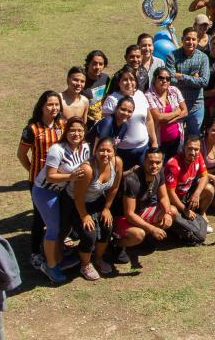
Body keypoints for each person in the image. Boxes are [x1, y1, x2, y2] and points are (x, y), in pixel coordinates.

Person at [31, 116, 90, 283]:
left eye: (79, 130)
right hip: (46, 191)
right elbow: (50, 176)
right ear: (66, 132)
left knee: (64, 225)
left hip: (63, 191)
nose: (76, 134)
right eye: (72, 130)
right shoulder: (57, 149)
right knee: (53, 228)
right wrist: (70, 176)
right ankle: (50, 266)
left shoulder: (85, 147)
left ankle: (58, 254)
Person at [18, 90, 65, 270]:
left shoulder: (62, 124)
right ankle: (35, 253)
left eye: (56, 104)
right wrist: (33, 170)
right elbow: (21, 154)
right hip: (38, 182)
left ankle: (56, 245)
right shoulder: (32, 129)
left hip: (60, 180)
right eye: (49, 105)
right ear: (42, 107)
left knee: (57, 212)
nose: (53, 108)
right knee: (39, 216)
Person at [70, 137, 123, 280]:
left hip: (97, 200)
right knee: (89, 233)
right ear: (95, 151)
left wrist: (107, 208)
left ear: (114, 152)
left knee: (107, 226)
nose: (105, 154)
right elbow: (78, 197)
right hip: (76, 203)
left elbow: (114, 187)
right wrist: (84, 216)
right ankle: (85, 265)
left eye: (108, 151)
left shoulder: (117, 163)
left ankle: (98, 258)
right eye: (101, 150)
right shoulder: (87, 169)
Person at [114, 149, 174, 263]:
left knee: (172, 212)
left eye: (158, 162)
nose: (154, 166)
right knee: (138, 234)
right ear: (144, 161)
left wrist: (166, 212)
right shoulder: (132, 180)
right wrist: (152, 228)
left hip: (142, 212)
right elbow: (129, 214)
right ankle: (115, 245)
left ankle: (146, 239)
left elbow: (163, 197)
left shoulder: (159, 173)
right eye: (151, 162)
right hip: (121, 217)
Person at [101, 68, 157, 170]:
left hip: (143, 148)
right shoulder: (112, 99)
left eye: (132, 79)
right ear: (119, 82)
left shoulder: (140, 94)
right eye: (125, 80)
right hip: (121, 151)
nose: (129, 82)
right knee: (122, 181)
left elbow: (148, 120)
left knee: (142, 179)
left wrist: (154, 142)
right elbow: (106, 128)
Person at [165, 136, 215, 233]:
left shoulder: (198, 156)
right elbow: (170, 194)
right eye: (189, 149)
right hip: (174, 199)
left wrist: (196, 194)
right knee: (173, 211)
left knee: (209, 189)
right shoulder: (173, 165)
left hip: (187, 194)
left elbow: (205, 176)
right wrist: (184, 210)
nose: (193, 152)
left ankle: (200, 216)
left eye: (196, 149)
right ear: (184, 148)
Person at [166, 27, 210, 135]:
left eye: (193, 39)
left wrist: (181, 76)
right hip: (177, 107)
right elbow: (170, 80)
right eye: (187, 39)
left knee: (194, 138)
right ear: (182, 39)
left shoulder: (203, 58)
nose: (191, 42)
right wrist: (194, 79)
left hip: (196, 106)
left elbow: (204, 81)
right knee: (175, 138)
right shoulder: (172, 56)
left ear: (198, 40)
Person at [146, 66, 188, 158]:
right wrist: (177, 112)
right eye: (161, 78)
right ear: (154, 78)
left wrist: (169, 121)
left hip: (177, 138)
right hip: (160, 142)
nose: (165, 81)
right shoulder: (148, 95)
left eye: (168, 79)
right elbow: (158, 117)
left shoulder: (174, 90)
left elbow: (185, 111)